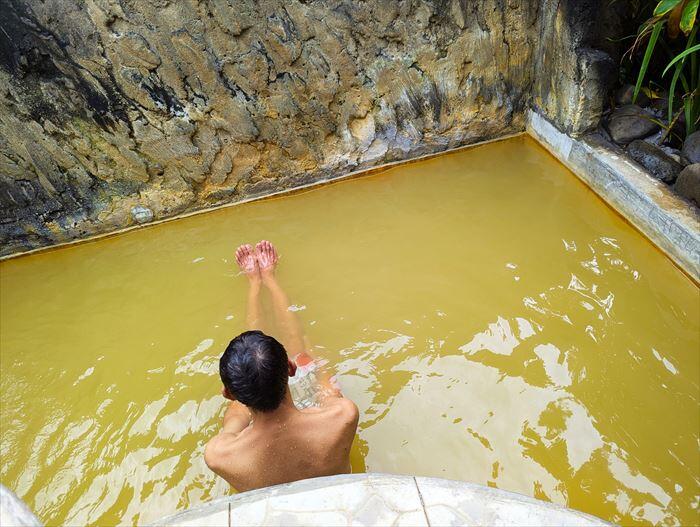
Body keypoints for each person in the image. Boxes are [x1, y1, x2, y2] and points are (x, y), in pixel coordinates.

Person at [204, 240, 359, 492]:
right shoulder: (342, 416)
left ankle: (253, 283)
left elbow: (235, 418)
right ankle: (269, 278)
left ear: (228, 394)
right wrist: (315, 358)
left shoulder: (219, 455)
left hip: (255, 452)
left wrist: (243, 383)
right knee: (303, 353)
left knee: (249, 366)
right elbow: (329, 390)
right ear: (289, 368)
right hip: (329, 477)